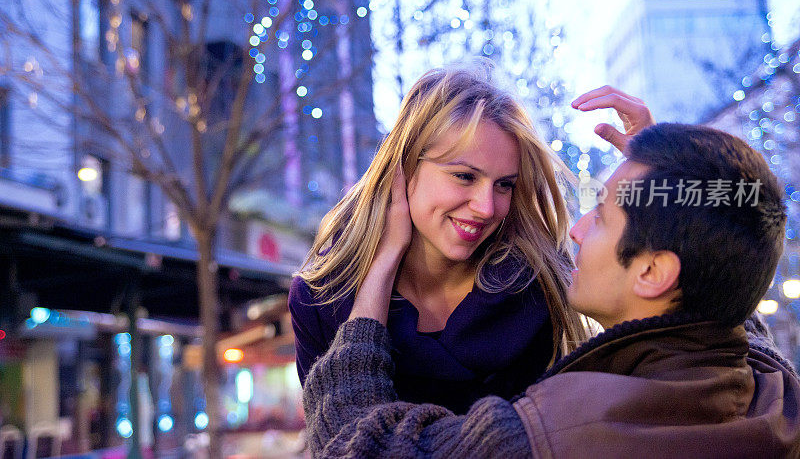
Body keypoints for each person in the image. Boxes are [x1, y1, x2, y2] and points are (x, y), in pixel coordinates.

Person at [302, 120, 800, 458]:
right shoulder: (777, 396)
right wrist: (680, 176)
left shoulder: (557, 432)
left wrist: (378, 271)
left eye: (601, 217)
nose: (578, 230)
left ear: (653, 274)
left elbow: (358, 445)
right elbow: (728, 298)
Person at [289, 67, 652, 413]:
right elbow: (341, 441)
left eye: (504, 185)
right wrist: (382, 266)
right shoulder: (322, 300)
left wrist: (662, 183)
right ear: (404, 167)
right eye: (464, 176)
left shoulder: (542, 283)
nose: (486, 207)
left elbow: (643, 376)